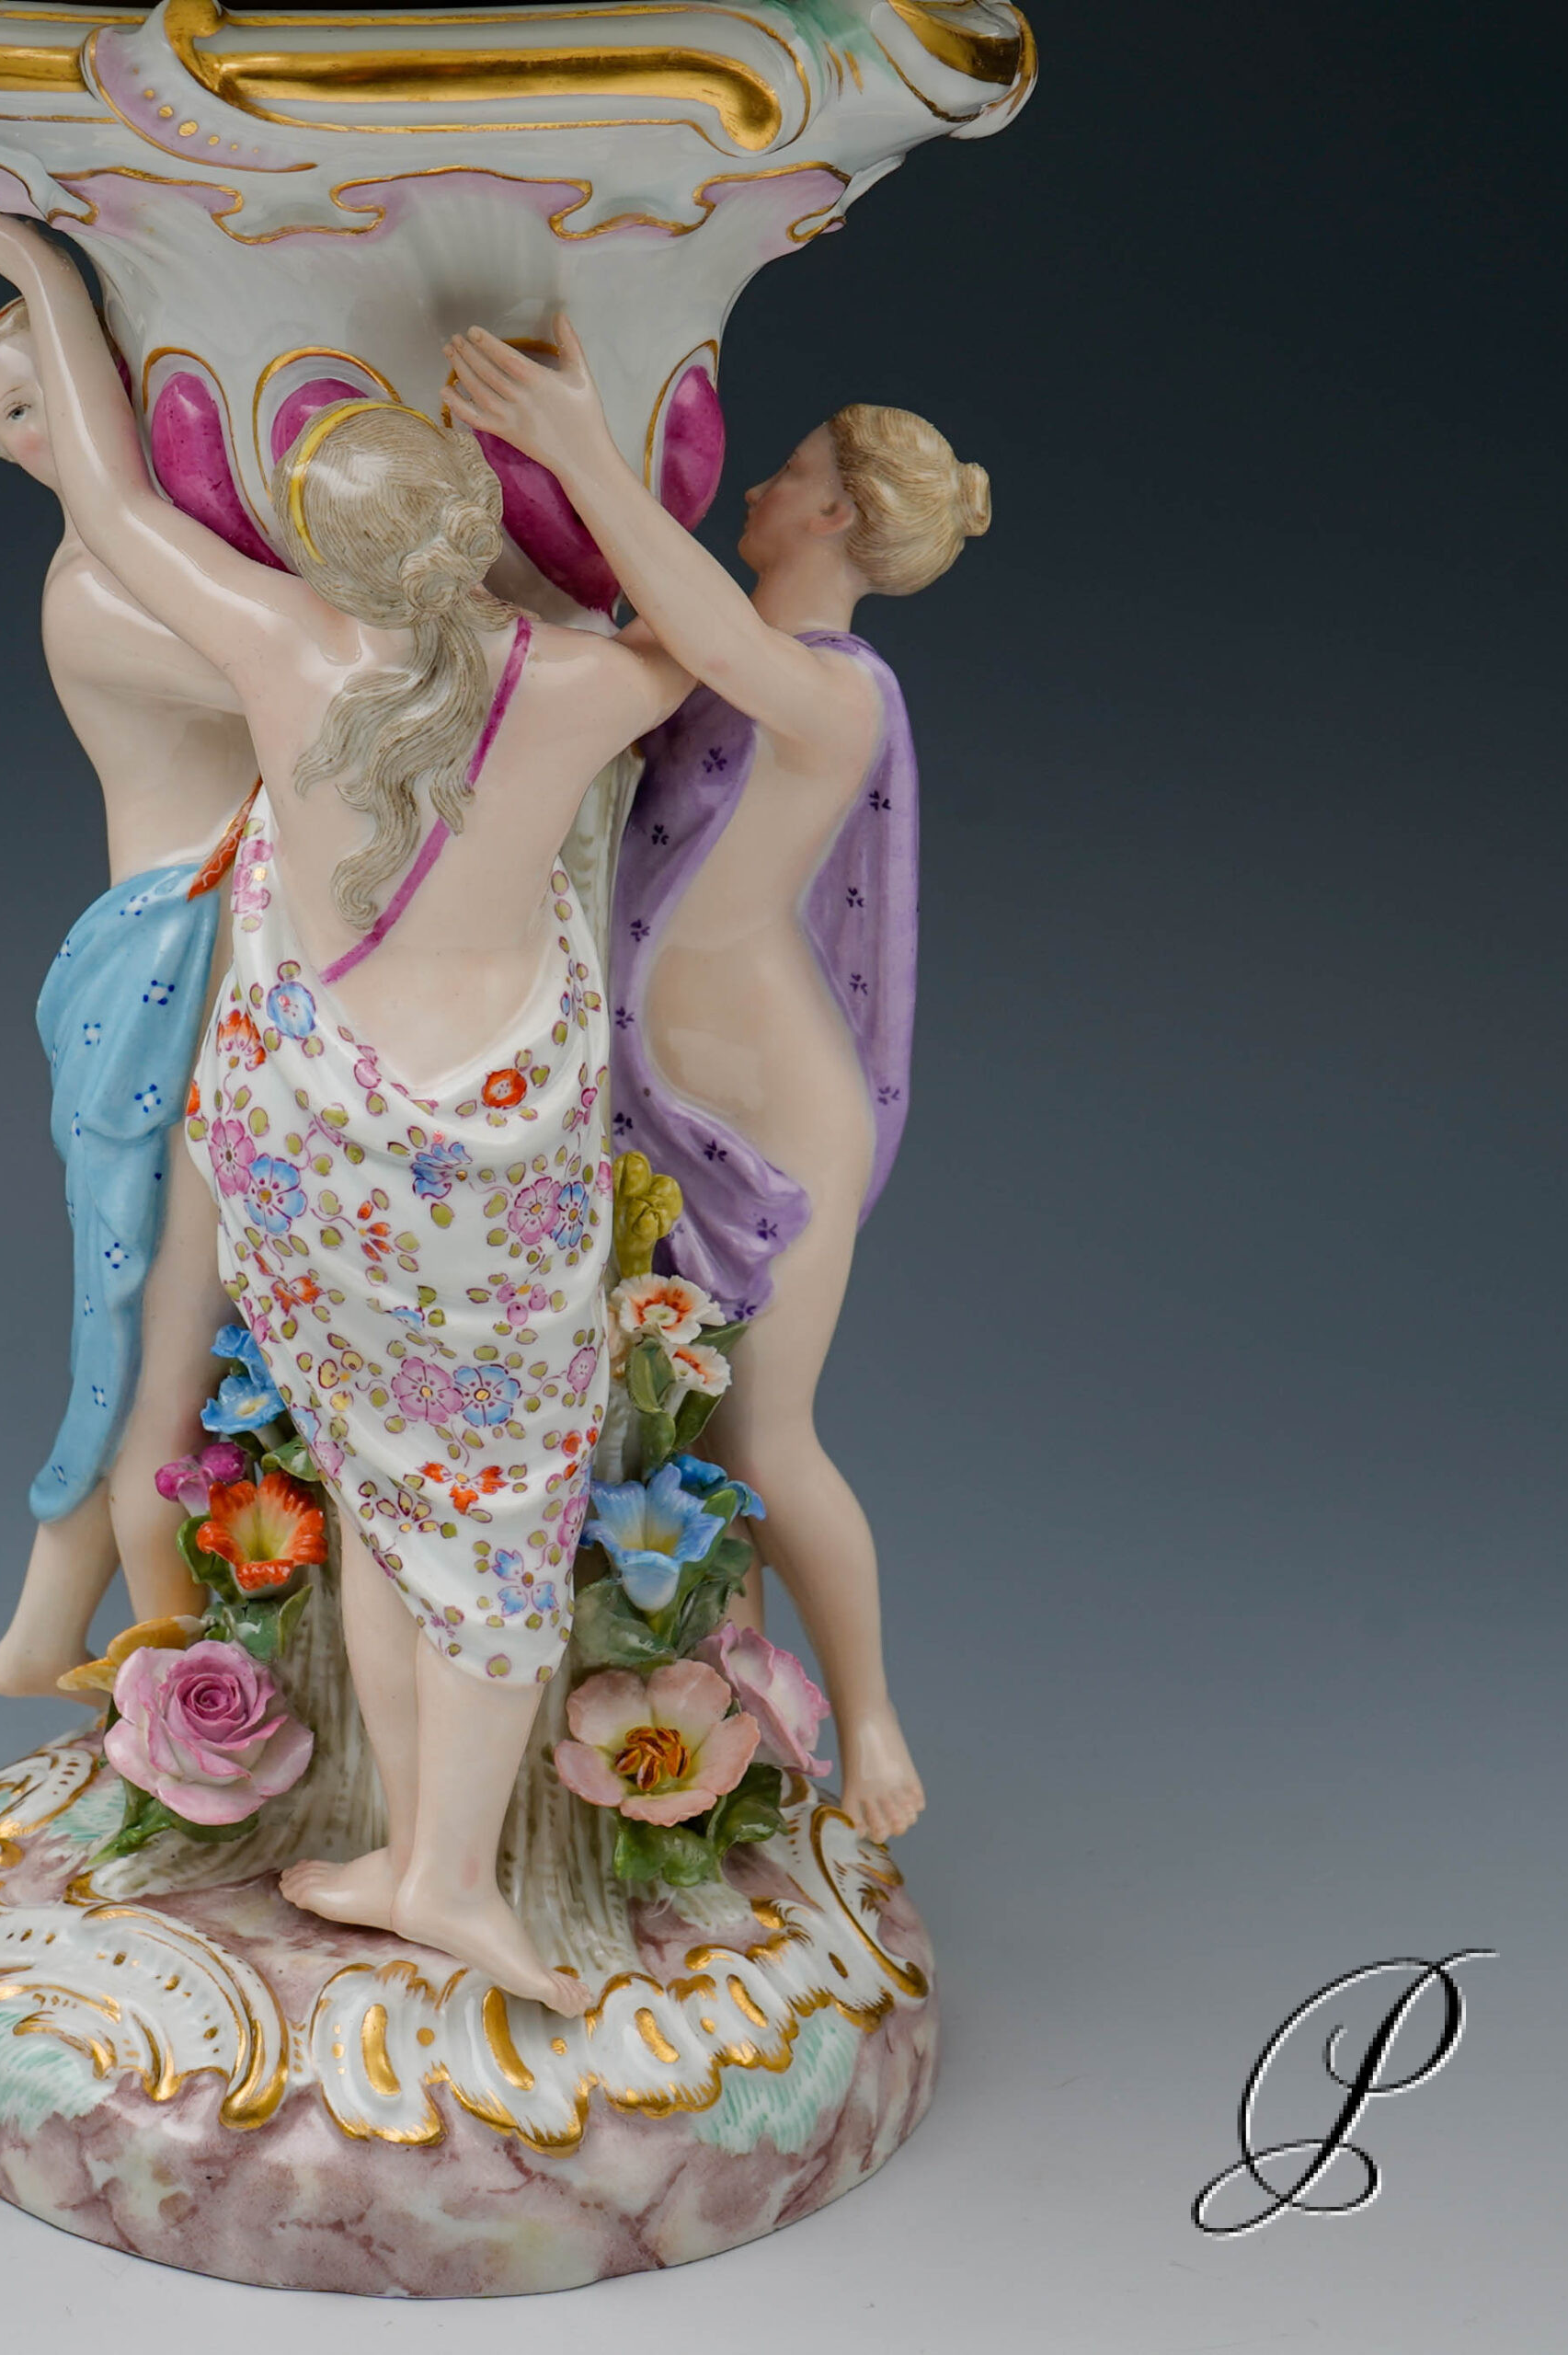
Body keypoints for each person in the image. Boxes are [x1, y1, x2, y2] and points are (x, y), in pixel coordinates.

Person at [0, 187, 691, 2011]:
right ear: (473, 529)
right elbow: (703, 636)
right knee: (495, 1515)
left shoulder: (279, 645)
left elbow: (111, 501)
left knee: (372, 1486)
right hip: (488, 1154)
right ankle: (450, 1870)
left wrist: (45, 280)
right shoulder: (580, 683)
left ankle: (402, 1865)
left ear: (319, 546)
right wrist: (589, 459)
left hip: (311, 1138)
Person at [444, 318, 993, 1843]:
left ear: (837, 515)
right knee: (666, 1435)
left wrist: (577, 445)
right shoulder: (700, 646)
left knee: (764, 1436)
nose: (758, 485)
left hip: (771, 1111)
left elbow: (714, 634)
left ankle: (871, 1715)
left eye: (791, 472)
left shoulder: (837, 687)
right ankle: (705, 1722)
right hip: (649, 1089)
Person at [0, 298, 261, 1699]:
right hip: (176, 959)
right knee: (153, 1319)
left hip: (232, 940)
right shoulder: (97, 587)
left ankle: (46, 1639)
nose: (52, 424)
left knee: (172, 1313)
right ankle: (172, 1699)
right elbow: (295, 687)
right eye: (15, 411)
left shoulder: (167, 562)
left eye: (64, 387)